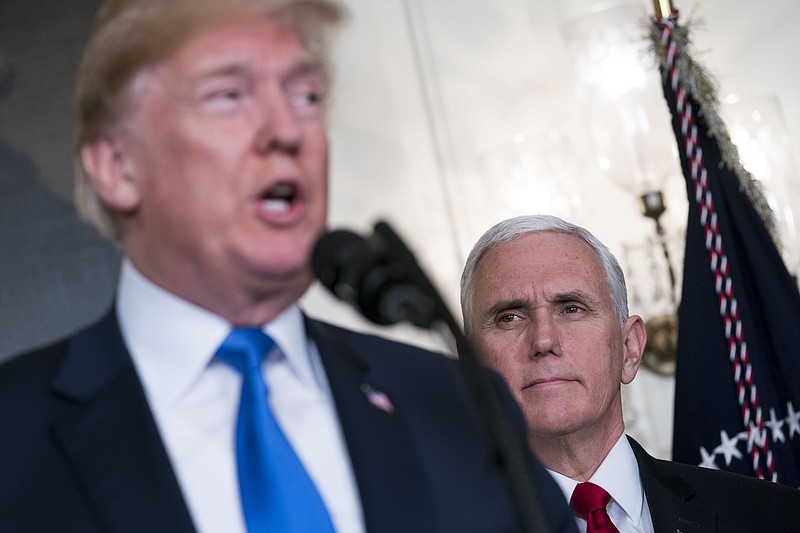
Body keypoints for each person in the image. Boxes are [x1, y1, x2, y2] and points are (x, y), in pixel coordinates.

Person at [0, 1, 577, 532]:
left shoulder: (459, 407)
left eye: (305, 96)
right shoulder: (14, 436)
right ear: (118, 166)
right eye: (228, 95)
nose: (286, 130)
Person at [460, 214, 800, 532]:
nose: (544, 340)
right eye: (510, 317)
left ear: (630, 349)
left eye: (572, 308)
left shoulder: (776, 515)